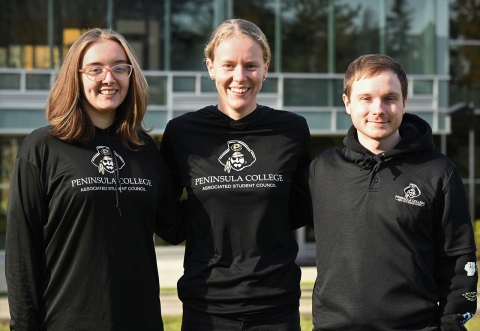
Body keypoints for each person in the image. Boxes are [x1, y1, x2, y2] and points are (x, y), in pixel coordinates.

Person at [5, 28, 184, 331]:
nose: (109, 78)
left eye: (119, 67)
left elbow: (176, 226)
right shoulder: (43, 148)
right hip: (65, 322)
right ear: (75, 76)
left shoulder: (144, 149)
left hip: (140, 322)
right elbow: (22, 252)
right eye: (95, 69)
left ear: (131, 75)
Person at [160, 19, 312, 331]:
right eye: (228, 65)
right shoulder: (182, 133)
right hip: (206, 307)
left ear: (266, 68)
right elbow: (168, 218)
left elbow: (297, 211)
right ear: (210, 67)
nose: (239, 77)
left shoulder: (292, 131)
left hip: (276, 307)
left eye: (251, 65)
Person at [308, 54, 477, 330]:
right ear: (347, 102)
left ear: (404, 103)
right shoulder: (322, 169)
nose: (379, 109)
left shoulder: (437, 171)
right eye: (366, 98)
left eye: (389, 98)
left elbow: (459, 262)